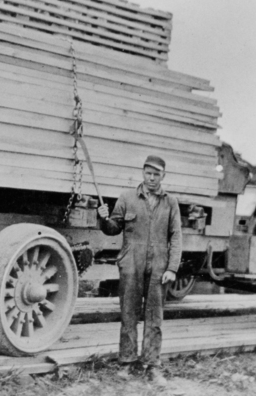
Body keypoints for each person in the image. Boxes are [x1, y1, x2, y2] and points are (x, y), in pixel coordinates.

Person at [97, 155, 182, 386]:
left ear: (163, 175)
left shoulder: (170, 202)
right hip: (131, 264)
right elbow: (113, 228)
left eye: (156, 174)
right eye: (148, 173)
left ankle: (152, 365)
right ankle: (126, 362)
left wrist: (172, 268)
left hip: (159, 267)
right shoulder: (127, 197)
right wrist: (103, 218)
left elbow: (176, 237)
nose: (151, 178)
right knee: (129, 314)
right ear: (142, 173)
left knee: (154, 317)